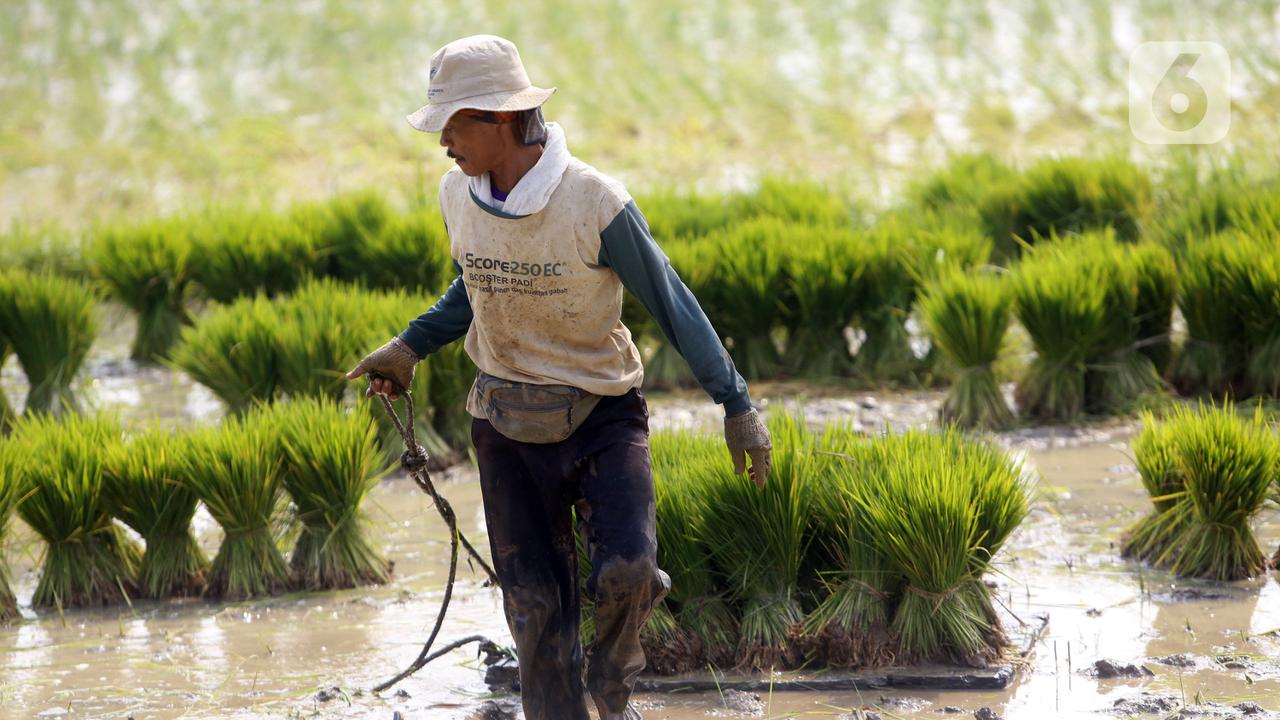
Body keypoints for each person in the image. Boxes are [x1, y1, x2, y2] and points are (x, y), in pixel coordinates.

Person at [346, 34, 772, 720]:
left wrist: (737, 403)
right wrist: (410, 346)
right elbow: (474, 288)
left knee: (628, 572)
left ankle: (611, 680)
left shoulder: (592, 201)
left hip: (601, 413)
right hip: (504, 423)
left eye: (456, 124)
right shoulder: (457, 194)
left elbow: (671, 301)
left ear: (503, 119)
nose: (444, 140)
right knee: (536, 610)